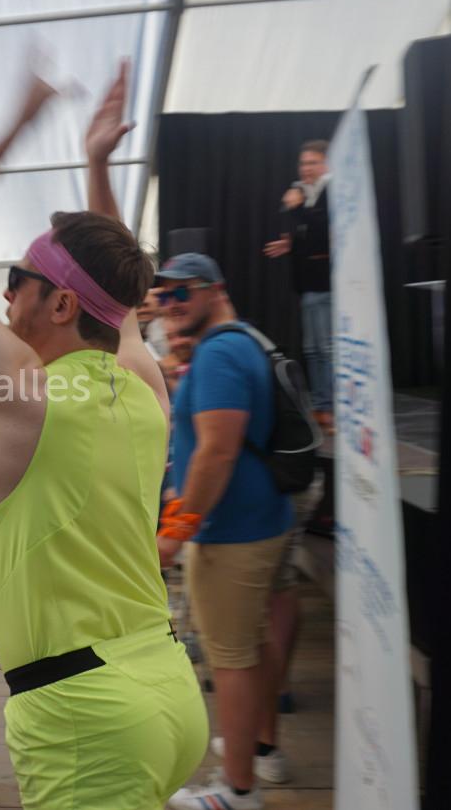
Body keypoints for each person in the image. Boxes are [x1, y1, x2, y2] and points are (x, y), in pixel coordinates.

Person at [0, 64, 206, 809]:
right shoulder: (144, 385)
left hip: (86, 715)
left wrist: (17, 124)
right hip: (170, 694)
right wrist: (98, 163)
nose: (6, 296)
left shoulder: (21, 398)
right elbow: (123, 303)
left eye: (19, 279)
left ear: (62, 302)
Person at [154, 252, 295, 810]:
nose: (169, 305)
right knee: (252, 646)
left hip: (232, 531)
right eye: (162, 296)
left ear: (214, 290)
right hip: (255, 523)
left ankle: (237, 792)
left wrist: (176, 530)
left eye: (181, 292)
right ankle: (258, 750)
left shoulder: (220, 354)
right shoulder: (240, 342)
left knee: (229, 658)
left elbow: (215, 453)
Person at [265, 139, 333, 433]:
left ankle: (329, 407)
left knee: (326, 348)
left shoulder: (330, 191)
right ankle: (320, 406)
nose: (306, 169)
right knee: (313, 349)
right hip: (307, 284)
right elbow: (312, 234)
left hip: (326, 283)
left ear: (325, 164)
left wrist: (301, 206)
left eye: (312, 163)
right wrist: (291, 244)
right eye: (303, 163)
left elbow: (326, 227)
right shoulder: (307, 195)